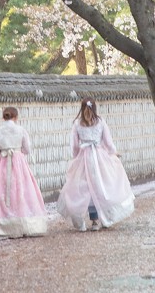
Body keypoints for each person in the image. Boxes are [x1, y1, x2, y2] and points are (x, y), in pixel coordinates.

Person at [57, 98, 135, 231]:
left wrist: (76, 157)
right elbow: (108, 142)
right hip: (100, 157)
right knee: (102, 186)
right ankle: (101, 219)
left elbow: (74, 146)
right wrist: (113, 153)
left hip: (84, 157)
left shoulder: (77, 123)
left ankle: (83, 220)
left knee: (83, 189)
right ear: (95, 108)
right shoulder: (100, 121)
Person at [0, 106, 48, 238]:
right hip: (19, 164)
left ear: (3, 117)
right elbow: (27, 149)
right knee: (21, 191)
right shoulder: (20, 130)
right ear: (16, 117)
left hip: (3, 163)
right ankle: (25, 224)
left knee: (3, 192)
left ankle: (6, 224)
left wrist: (5, 149)